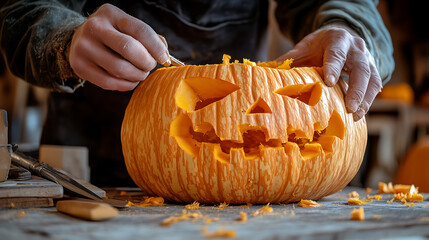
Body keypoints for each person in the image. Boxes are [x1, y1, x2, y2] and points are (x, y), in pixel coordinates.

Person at [0, 0, 394, 186]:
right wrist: (63, 37)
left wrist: (349, 25)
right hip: (88, 179)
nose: (258, 113)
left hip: (260, 180)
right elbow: (18, 10)